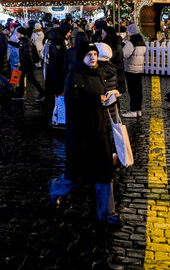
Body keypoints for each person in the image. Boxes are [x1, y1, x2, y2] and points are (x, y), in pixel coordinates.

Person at [48, 42, 122, 226]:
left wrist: (110, 96)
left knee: (104, 173)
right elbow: (72, 103)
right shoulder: (73, 76)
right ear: (81, 57)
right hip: (80, 133)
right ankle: (55, 189)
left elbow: (101, 97)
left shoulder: (99, 73)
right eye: (88, 54)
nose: (92, 57)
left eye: (94, 54)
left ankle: (107, 213)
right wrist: (95, 100)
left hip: (99, 130)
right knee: (74, 173)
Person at [13, 27, 45, 101]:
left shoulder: (26, 42)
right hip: (25, 64)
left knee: (31, 79)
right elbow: (18, 45)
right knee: (22, 78)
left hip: (27, 64)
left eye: (18, 33)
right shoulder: (22, 41)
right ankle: (20, 94)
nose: (17, 34)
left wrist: (21, 62)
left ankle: (42, 92)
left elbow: (28, 54)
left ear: (22, 34)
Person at [122, 24, 146, 118]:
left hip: (130, 69)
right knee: (138, 91)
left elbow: (125, 54)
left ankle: (133, 110)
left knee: (132, 91)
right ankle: (138, 109)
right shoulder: (142, 42)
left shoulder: (131, 43)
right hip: (139, 69)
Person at [44, 24, 71, 100]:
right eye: (69, 32)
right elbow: (59, 56)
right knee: (56, 88)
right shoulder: (57, 41)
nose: (70, 34)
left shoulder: (56, 38)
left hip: (54, 68)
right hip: (57, 69)